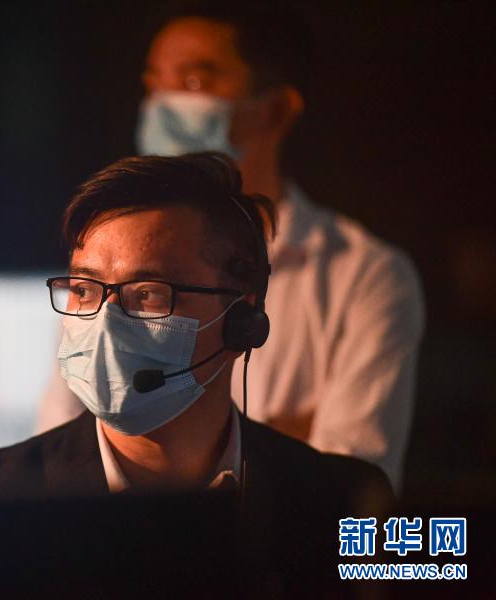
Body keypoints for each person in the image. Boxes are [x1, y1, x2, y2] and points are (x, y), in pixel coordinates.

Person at [36, 1, 424, 490]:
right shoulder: (107, 261)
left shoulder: (366, 275)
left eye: (194, 82)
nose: (163, 104)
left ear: (276, 109)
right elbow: (57, 451)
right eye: (154, 84)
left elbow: (347, 485)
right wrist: (270, 435)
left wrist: (180, 439)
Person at [0, 152, 392, 513]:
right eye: (85, 290)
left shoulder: (343, 500)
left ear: (242, 320)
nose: (105, 320)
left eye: (147, 293)